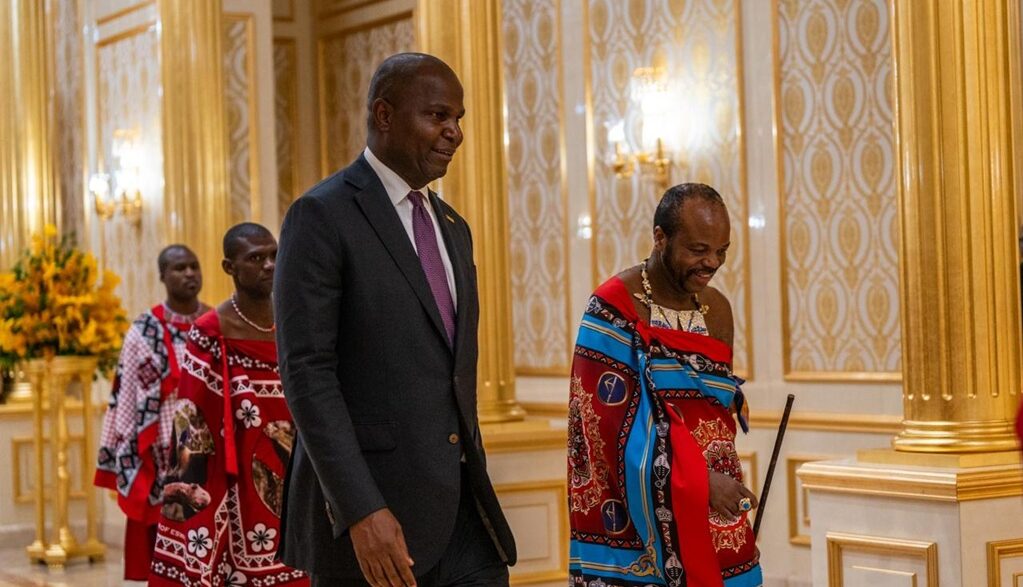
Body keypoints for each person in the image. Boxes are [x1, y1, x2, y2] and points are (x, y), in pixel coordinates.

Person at [274, 52, 516, 586]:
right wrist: (360, 510)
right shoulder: (322, 216)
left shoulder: (454, 226)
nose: (454, 132)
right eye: (438, 116)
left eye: (459, 120)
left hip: (463, 514)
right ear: (384, 115)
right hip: (373, 522)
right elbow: (307, 374)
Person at [567, 184, 763, 587]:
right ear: (660, 237)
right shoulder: (612, 307)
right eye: (698, 249)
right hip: (633, 517)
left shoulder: (718, 310)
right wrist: (700, 483)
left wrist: (715, 483)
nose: (712, 262)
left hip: (718, 508)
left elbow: (716, 414)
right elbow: (601, 430)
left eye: (722, 251)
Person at [148, 223, 308, 586]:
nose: (269, 265)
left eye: (273, 255)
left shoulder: (295, 320)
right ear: (229, 267)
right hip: (236, 479)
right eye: (255, 258)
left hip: (300, 467)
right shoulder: (211, 330)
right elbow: (191, 423)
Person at [94, 244, 209, 581]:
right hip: (160, 452)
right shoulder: (144, 331)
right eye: (179, 268)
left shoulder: (215, 322)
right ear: (162, 276)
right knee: (166, 553)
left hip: (208, 450)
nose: (189, 273)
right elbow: (127, 398)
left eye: (194, 265)